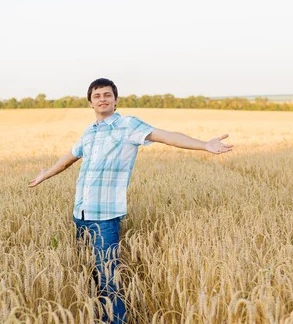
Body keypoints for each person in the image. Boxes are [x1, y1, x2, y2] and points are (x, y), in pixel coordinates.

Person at [28, 78, 234, 323]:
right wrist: (45, 174)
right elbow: (69, 159)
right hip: (80, 214)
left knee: (108, 280)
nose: (102, 99)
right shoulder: (89, 132)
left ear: (116, 100)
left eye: (107, 95)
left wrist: (204, 145)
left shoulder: (128, 125)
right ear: (90, 102)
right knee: (89, 274)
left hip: (105, 218)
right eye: (97, 96)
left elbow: (166, 136)